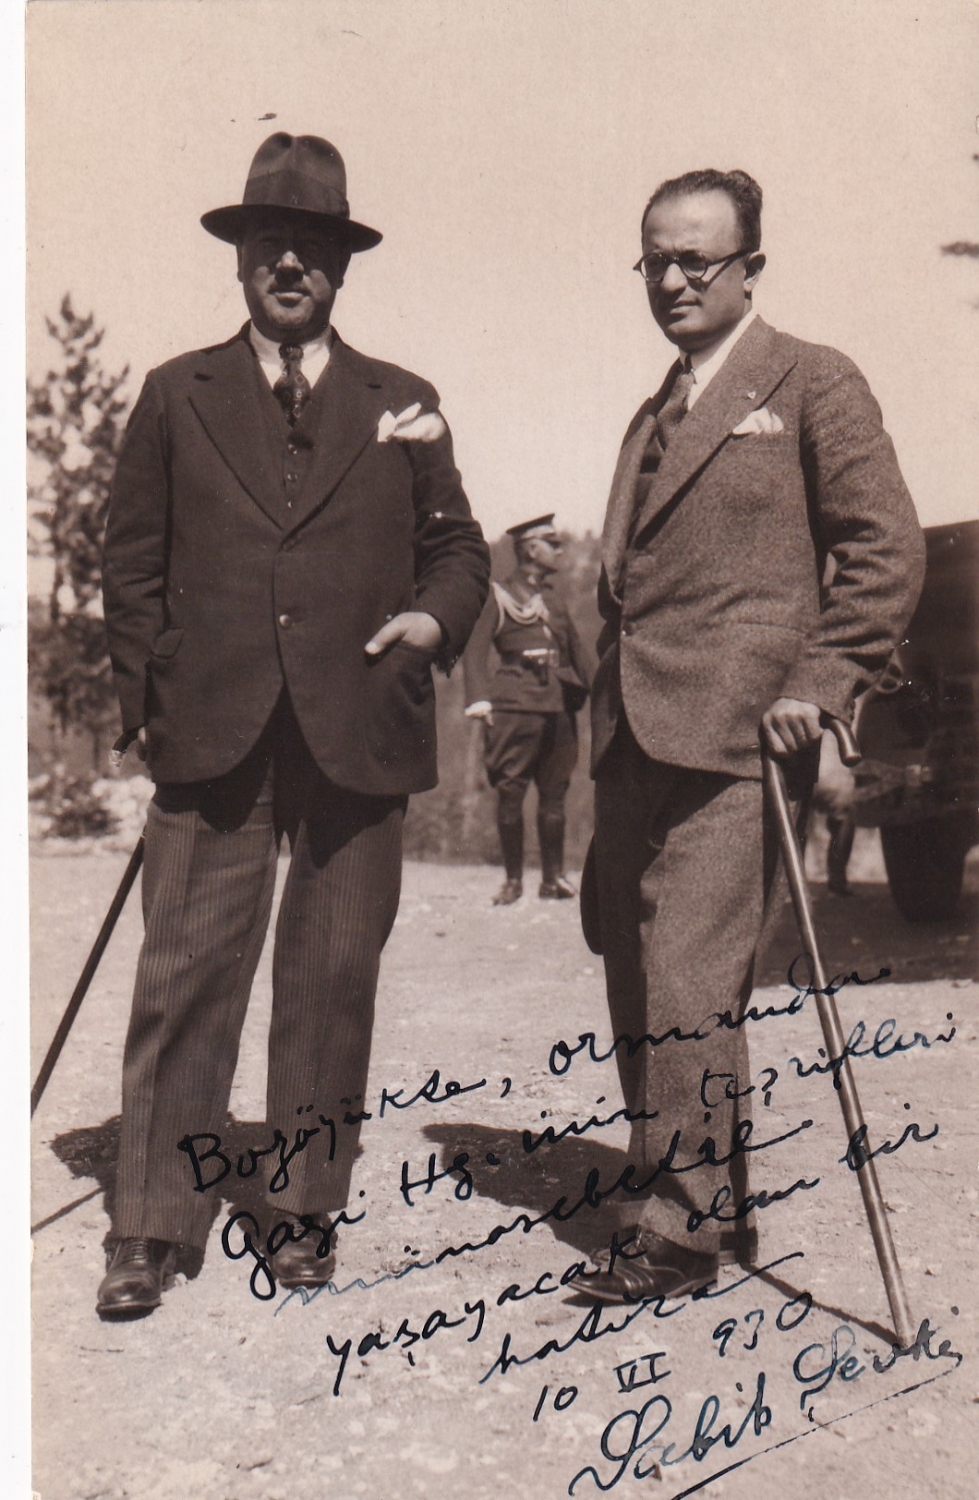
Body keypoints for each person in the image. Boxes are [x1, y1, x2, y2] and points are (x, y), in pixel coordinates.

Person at [98, 133, 490, 1315]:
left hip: (358, 728)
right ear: (239, 259)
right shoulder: (175, 393)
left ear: (341, 267)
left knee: (331, 980)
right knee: (183, 976)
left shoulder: (403, 401)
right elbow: (130, 561)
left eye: (311, 247)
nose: (288, 264)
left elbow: (458, 551)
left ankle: (305, 1209)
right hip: (211, 734)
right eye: (269, 241)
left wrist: (430, 623)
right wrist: (152, 699)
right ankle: (150, 1223)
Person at [572, 169, 925, 1303]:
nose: (672, 279)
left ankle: (677, 1232)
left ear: (750, 269)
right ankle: (700, 1195)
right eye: (655, 260)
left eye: (698, 259)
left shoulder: (813, 379)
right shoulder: (649, 414)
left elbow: (884, 549)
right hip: (633, 733)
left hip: (741, 741)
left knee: (689, 976)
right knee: (640, 975)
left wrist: (820, 684)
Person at [463, 515, 593, 904]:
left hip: (558, 706)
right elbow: (475, 651)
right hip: (514, 705)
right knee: (511, 793)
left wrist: (605, 692)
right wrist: (479, 699)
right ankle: (513, 881)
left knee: (555, 794)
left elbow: (578, 654)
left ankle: (553, 880)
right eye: (552, 544)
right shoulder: (499, 594)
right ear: (531, 549)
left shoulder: (554, 599)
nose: (559, 550)